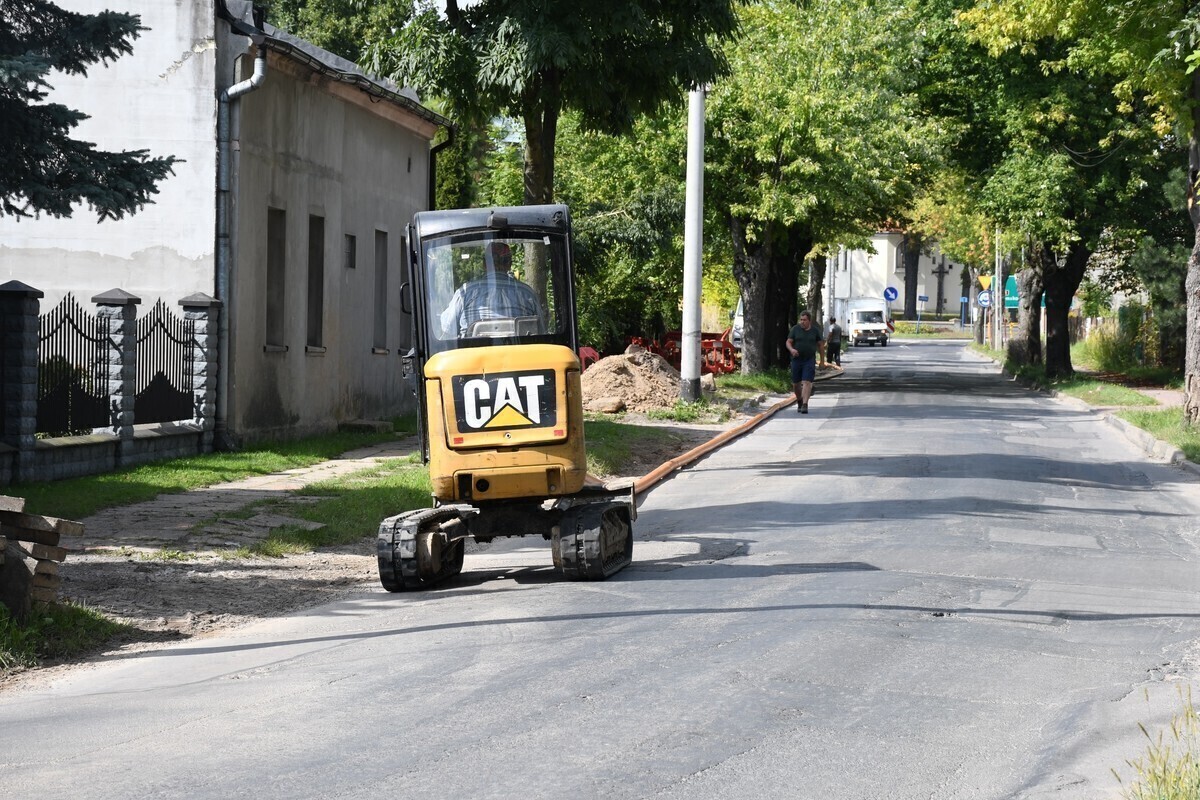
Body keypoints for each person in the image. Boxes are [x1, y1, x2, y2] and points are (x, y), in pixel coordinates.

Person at [440, 242, 542, 337]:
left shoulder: (465, 293)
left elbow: (447, 327)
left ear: (484, 264)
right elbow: (541, 330)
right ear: (509, 265)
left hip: (473, 351)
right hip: (518, 351)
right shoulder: (528, 293)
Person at [786, 310, 824, 414]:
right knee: (796, 384)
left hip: (809, 359)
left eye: (804, 320)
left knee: (807, 382)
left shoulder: (815, 331)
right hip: (797, 359)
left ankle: (805, 404)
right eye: (801, 320)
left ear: (809, 321)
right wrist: (792, 350)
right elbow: (788, 342)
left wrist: (822, 361)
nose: (802, 322)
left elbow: (821, 346)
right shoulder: (795, 329)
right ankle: (799, 400)